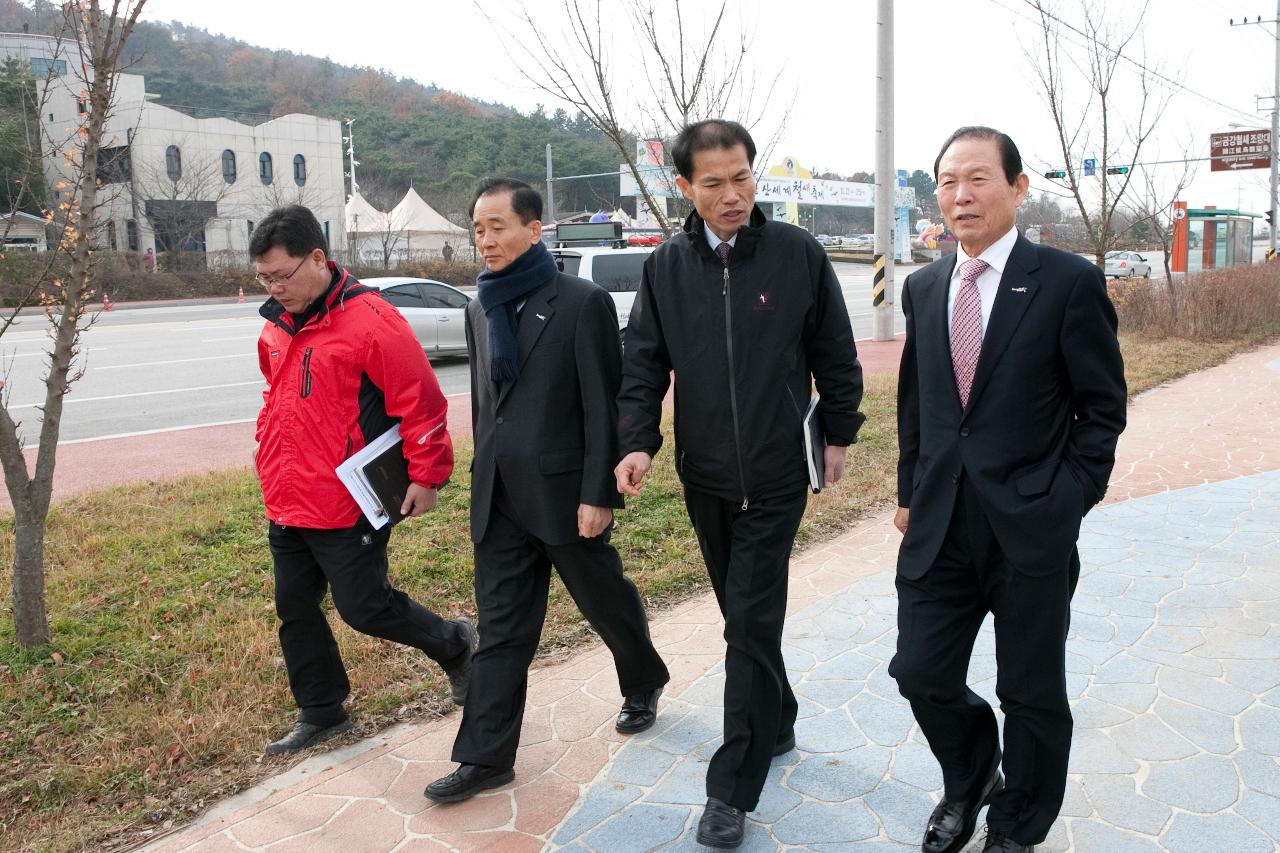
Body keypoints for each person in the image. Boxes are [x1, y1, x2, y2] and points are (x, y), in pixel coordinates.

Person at [615, 120, 864, 849]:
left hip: (780, 473)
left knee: (748, 625)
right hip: (707, 475)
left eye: (743, 177)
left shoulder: (796, 254)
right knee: (743, 617)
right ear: (684, 187)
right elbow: (642, 364)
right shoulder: (665, 267)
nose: (733, 195)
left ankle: (732, 786)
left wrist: (840, 431)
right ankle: (777, 715)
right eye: (715, 182)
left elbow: (834, 350)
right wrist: (637, 442)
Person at [891, 127, 1127, 853]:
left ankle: (1018, 824)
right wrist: (908, 492)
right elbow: (918, 406)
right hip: (940, 524)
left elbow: (1102, 407)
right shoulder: (925, 286)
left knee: (1030, 694)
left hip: (1031, 528)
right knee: (921, 670)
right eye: (947, 182)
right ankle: (970, 776)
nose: (961, 196)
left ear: (1017, 187)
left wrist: (1067, 499)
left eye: (979, 179)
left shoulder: (1065, 281)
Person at [424, 179, 670, 804]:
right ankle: (486, 756)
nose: (487, 240)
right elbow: (488, 408)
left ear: (535, 229)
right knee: (502, 630)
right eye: (478, 229)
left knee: (604, 599)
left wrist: (598, 493)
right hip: (500, 499)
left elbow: (601, 404)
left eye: (499, 226)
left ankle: (643, 677)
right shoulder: (478, 307)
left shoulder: (579, 301)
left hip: (566, 496)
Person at [251, 204, 478, 755]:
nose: (274, 288)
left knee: (364, 607)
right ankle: (322, 711)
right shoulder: (277, 327)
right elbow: (279, 400)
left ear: (319, 259)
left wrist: (427, 477)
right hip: (287, 496)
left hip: (348, 500)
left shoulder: (373, 321)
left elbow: (421, 404)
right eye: (264, 278)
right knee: (295, 610)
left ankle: (454, 644)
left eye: (283, 275)